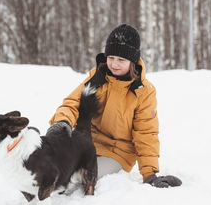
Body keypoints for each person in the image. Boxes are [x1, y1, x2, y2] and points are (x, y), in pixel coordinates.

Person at [47, 24, 181, 188]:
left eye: (121, 60)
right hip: (87, 143)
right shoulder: (97, 77)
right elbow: (73, 103)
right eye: (111, 58)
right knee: (52, 162)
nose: (114, 64)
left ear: (132, 61)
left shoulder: (144, 92)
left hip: (118, 153)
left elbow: (146, 133)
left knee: (77, 174)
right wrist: (62, 122)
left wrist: (150, 174)